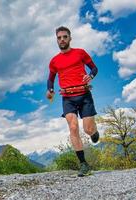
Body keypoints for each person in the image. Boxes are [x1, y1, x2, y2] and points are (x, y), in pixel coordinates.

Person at [46, 26, 100, 177]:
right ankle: (83, 164)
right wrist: (50, 90)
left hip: (84, 94)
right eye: (59, 37)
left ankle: (94, 132)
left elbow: (94, 69)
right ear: (56, 40)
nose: (62, 39)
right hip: (68, 98)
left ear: (70, 38)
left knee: (88, 129)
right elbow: (50, 79)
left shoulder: (80, 53)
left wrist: (90, 76)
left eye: (64, 37)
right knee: (73, 127)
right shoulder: (54, 61)